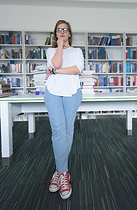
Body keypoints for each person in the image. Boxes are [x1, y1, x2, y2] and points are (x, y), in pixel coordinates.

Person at [44, 20, 84, 200]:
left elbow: (77, 69)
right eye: (58, 30)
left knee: (68, 131)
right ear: (55, 34)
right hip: (52, 92)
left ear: (69, 33)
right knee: (58, 131)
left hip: (72, 92)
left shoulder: (77, 51)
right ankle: (64, 174)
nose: (61, 32)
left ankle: (58, 170)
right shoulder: (51, 51)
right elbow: (57, 63)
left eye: (64, 30)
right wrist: (59, 46)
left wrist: (55, 71)